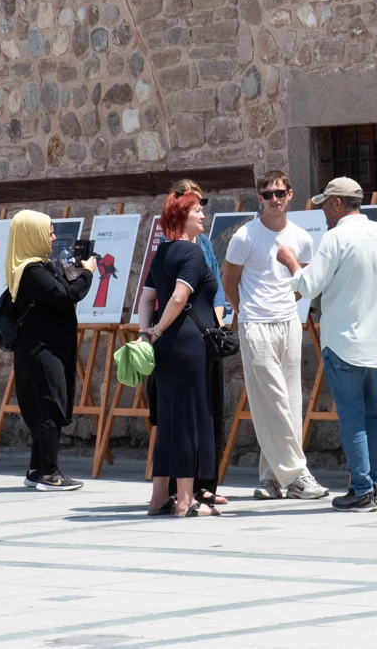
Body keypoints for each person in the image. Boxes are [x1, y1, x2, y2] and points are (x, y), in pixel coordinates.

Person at [276, 178, 377, 512]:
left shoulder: (335, 238)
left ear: (337, 203)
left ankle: (361, 489)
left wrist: (290, 260)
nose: (322, 210)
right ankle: (376, 485)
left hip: (343, 343)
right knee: (372, 415)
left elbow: (308, 286)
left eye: (324, 204)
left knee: (352, 418)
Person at [222, 170, 329, 500]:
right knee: (269, 397)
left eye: (279, 193)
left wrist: (286, 304)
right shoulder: (245, 237)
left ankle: (271, 477)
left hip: (288, 322)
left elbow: (304, 283)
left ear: (290, 194)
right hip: (255, 323)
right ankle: (298, 473)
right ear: (260, 198)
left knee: (289, 400)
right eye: (267, 194)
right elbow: (229, 283)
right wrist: (247, 312)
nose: (274, 200)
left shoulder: (301, 237)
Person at [138, 191, 221, 517]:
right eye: (196, 211)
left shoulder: (163, 252)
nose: (202, 215)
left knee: (170, 421)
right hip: (187, 344)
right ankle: (185, 501)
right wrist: (155, 332)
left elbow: (146, 299)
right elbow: (177, 297)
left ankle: (159, 497)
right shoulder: (191, 252)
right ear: (182, 217)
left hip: (166, 345)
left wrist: (148, 335)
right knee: (188, 420)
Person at [7, 210, 97, 492]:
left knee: (46, 406)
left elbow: (62, 289)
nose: (54, 237)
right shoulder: (32, 271)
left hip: (43, 349)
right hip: (42, 351)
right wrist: (89, 273)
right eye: (48, 232)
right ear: (32, 235)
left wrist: (75, 270)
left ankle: (36, 470)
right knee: (50, 407)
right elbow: (68, 296)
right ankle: (50, 474)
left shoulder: (38, 267)